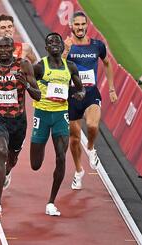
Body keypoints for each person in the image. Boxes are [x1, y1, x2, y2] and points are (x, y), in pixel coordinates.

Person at [0, 36, 41, 219]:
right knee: (1, 151)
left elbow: (38, 95)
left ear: (12, 48)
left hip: (18, 122)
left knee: (12, 157)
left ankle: (8, 170)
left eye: (7, 47)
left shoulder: (24, 65)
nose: (3, 51)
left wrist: (26, 85)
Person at [62, 11, 118, 189]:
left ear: (87, 25)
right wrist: (65, 52)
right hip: (71, 96)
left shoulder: (97, 46)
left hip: (91, 93)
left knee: (93, 125)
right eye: (76, 24)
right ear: (71, 26)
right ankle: (78, 172)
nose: (80, 27)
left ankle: (92, 148)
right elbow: (56, 68)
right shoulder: (66, 45)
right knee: (74, 139)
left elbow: (107, 63)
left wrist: (111, 88)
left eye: (82, 24)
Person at [31, 33, 85, 216]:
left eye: (57, 41)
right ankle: (41, 143)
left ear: (63, 47)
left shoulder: (70, 67)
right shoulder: (39, 67)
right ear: (46, 47)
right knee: (35, 164)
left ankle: (51, 202)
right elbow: (29, 85)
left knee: (61, 156)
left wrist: (81, 94)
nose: (54, 44)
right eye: (50, 42)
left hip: (61, 115)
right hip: (42, 114)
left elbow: (80, 88)